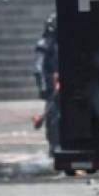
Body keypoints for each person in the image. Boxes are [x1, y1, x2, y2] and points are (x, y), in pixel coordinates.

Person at [32, 13, 59, 155]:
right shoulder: (46, 43)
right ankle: (54, 146)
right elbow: (38, 67)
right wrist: (44, 87)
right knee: (53, 116)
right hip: (52, 84)